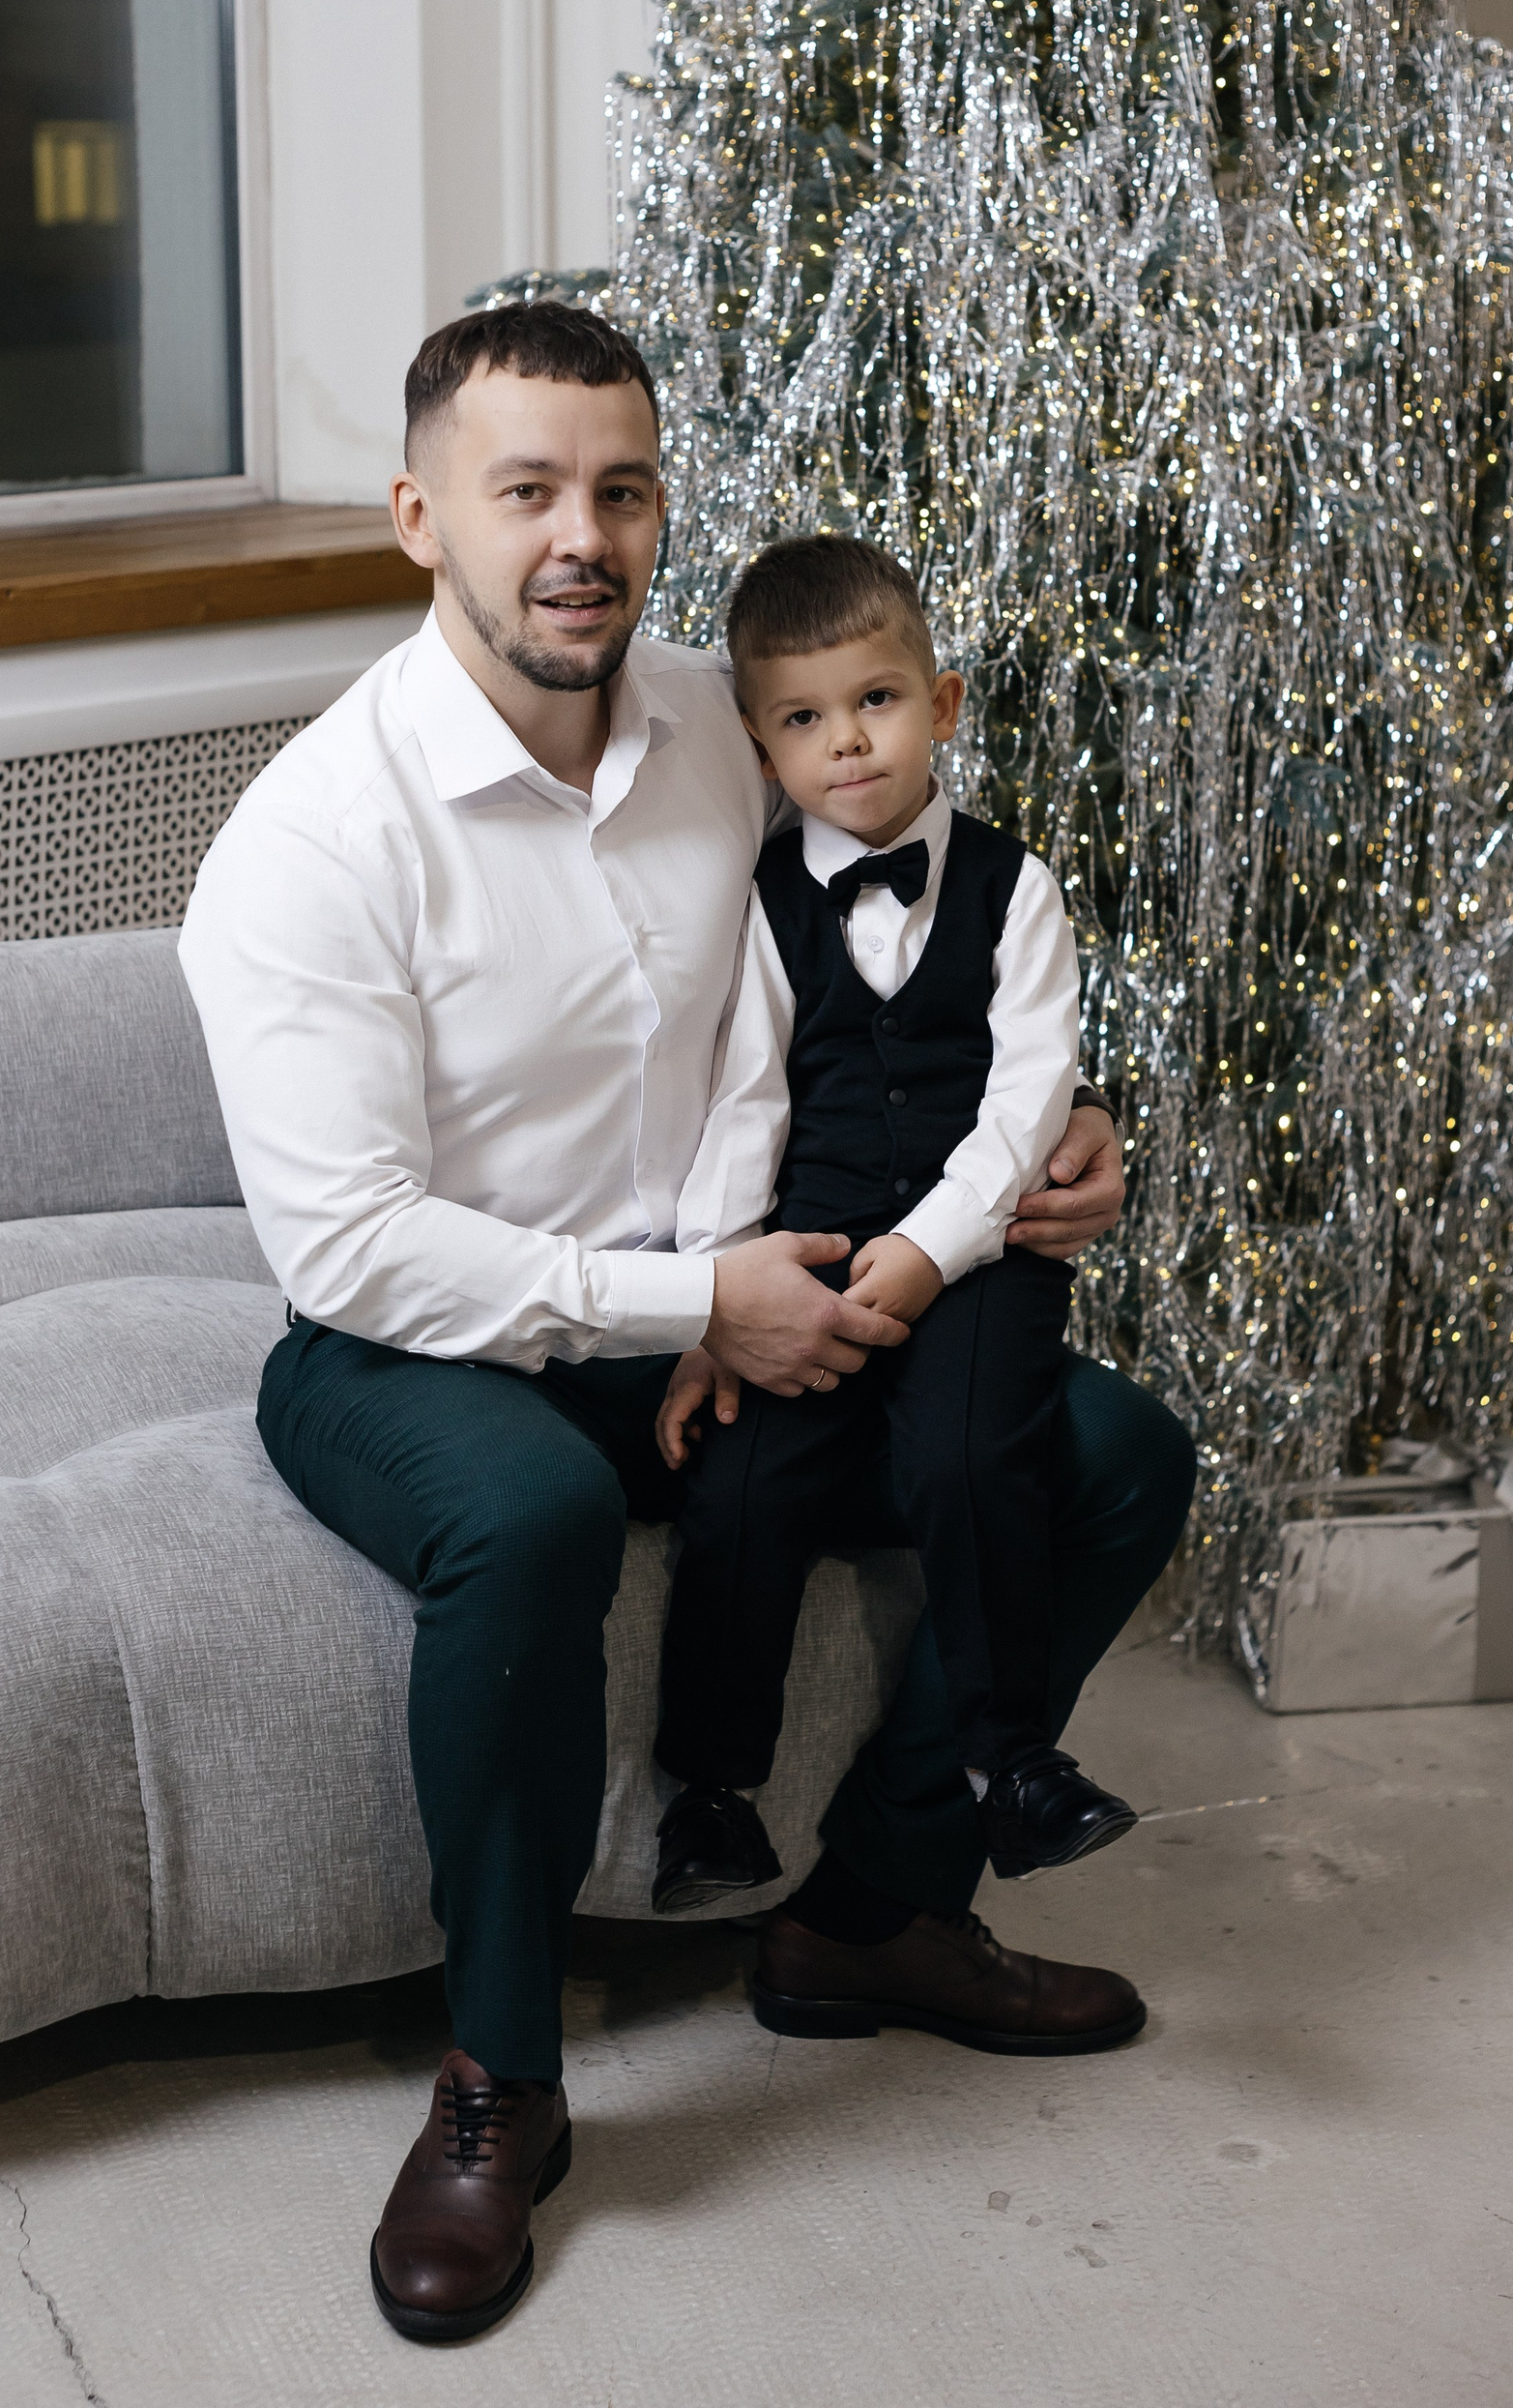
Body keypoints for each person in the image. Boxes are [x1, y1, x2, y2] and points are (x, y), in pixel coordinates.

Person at [178, 300, 1193, 2347]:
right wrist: (694, 1299)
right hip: (419, 1342)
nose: (583, 537)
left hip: (737, 1297)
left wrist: (1067, 1139)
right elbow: (351, 1246)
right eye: (526, 491)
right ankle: (501, 2078)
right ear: (418, 516)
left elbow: (915, 993)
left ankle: (873, 1910)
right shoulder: (311, 839)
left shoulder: (731, 730)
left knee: (1119, 1457)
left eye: (622, 489)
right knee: (533, 1520)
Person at [649, 535, 1138, 1923]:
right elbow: (745, 1103)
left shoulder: (1014, 888)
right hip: (807, 1256)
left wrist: (932, 1251)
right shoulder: (763, 903)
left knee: (971, 1457)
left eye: (877, 701)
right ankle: (712, 1794)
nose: (848, 742)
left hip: (980, 1253)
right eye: (805, 719)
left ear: (945, 702)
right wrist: (712, 1303)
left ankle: (1011, 1764)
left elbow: (1030, 1100)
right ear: (763, 750)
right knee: (745, 1483)